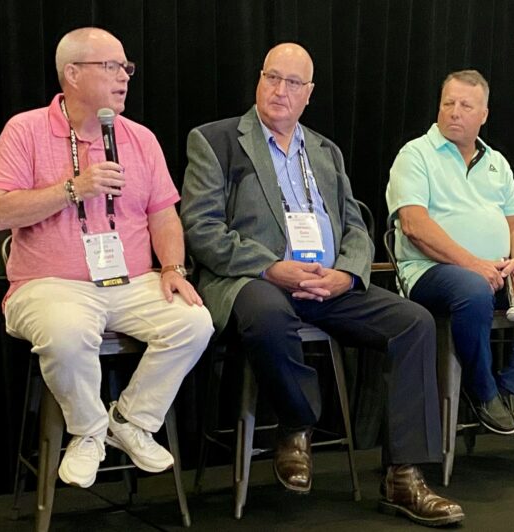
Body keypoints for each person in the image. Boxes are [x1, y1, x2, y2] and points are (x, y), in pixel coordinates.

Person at [181, 43, 463, 527]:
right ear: (259, 79)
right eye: (273, 77)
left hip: (327, 283)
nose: (280, 91)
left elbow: (356, 224)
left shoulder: (325, 150)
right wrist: (272, 266)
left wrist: (348, 273)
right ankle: (298, 422)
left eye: (293, 83)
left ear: (308, 94)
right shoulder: (216, 140)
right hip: (255, 282)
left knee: (413, 321)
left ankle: (404, 476)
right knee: (267, 313)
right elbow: (201, 229)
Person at [0, 27, 213, 488]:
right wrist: (74, 188)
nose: (124, 77)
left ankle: (130, 421)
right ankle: (87, 431)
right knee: (67, 334)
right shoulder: (25, 129)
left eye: (126, 67)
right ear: (71, 73)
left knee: (194, 322)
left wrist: (171, 268)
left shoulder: (140, 138)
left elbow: (164, 216)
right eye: (110, 66)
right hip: (49, 284)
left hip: (129, 281)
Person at [386, 70, 514, 438]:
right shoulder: (415, 155)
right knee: (472, 290)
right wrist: (472, 264)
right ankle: (482, 390)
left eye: (465, 105)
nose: (455, 112)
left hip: (495, 271)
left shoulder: (496, 162)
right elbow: (414, 226)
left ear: (484, 115)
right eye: (449, 103)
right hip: (432, 271)